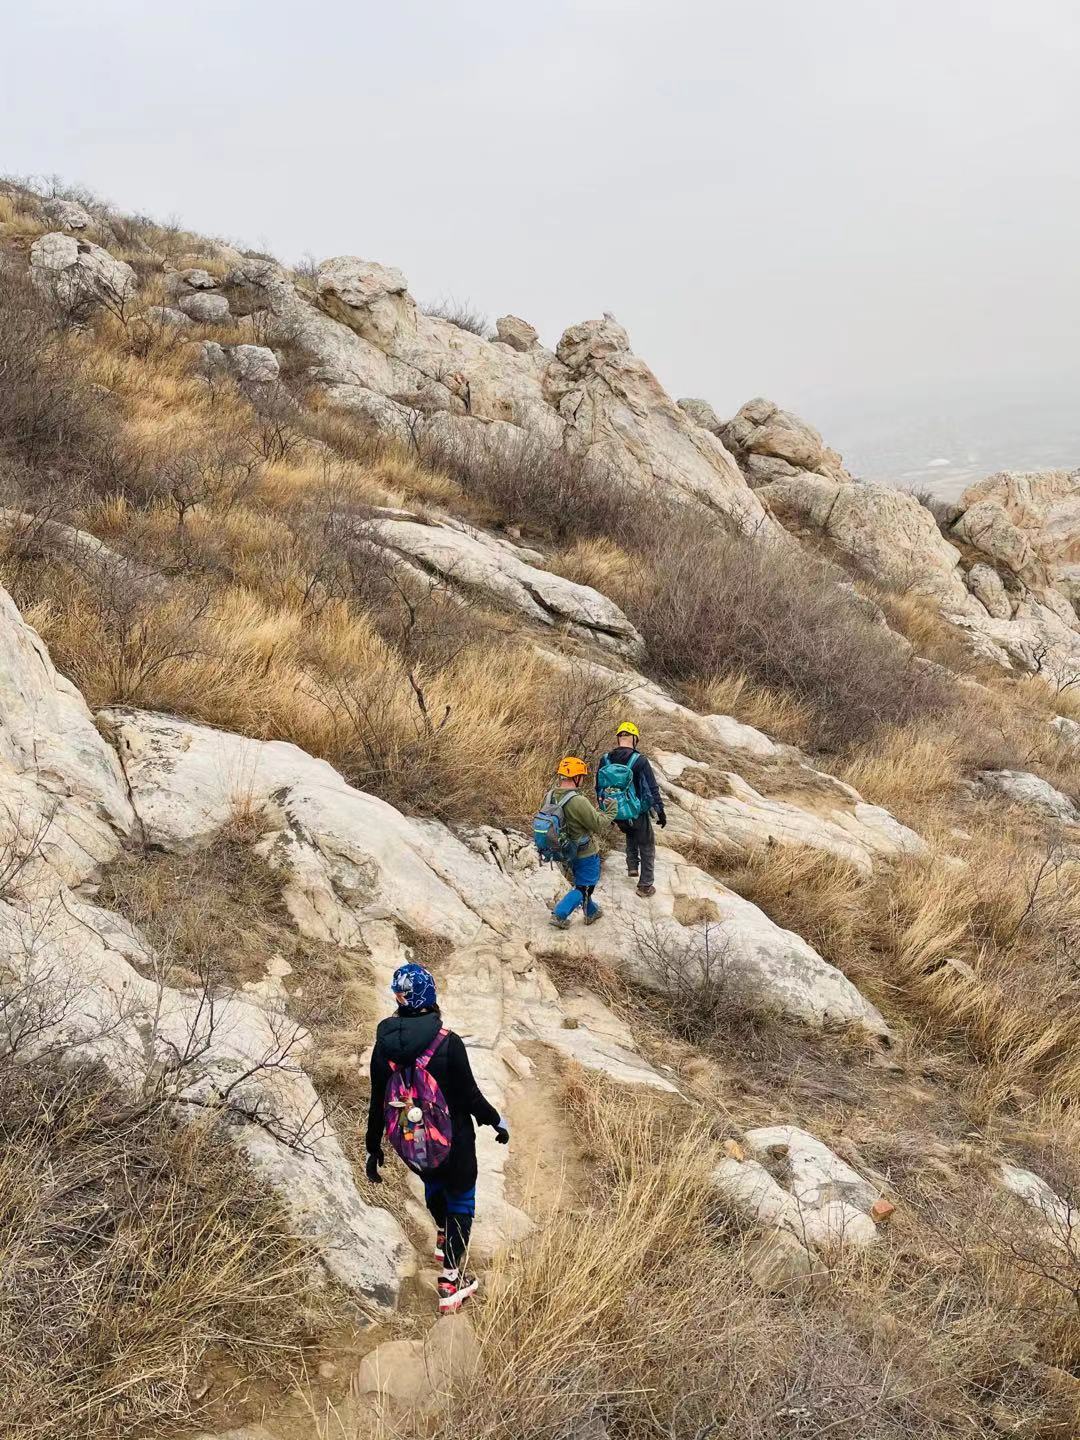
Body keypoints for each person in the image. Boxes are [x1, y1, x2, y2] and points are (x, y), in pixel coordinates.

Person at [365, 962, 509, 1313]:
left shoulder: (384, 1046)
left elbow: (377, 1099)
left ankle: (444, 1236)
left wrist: (373, 1147)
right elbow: (470, 1096)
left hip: (413, 1143)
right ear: (429, 994)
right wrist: (495, 1121)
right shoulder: (447, 1043)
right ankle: (450, 1283)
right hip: (454, 1142)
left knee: (434, 1185)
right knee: (462, 1200)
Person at [597, 721, 666, 897]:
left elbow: (598, 787)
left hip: (614, 811)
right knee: (647, 844)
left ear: (619, 737)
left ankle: (632, 866)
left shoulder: (605, 759)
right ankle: (645, 886)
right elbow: (652, 788)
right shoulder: (640, 760)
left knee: (629, 832)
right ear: (634, 738)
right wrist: (660, 810)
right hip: (635, 811)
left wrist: (606, 809)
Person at [547, 756, 614, 929]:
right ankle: (560, 914)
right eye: (582, 776)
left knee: (583, 882)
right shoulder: (578, 800)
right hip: (585, 852)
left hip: (564, 850)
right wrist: (612, 809)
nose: (583, 779)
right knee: (585, 888)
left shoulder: (551, 795)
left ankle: (591, 912)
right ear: (576, 777)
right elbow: (599, 824)